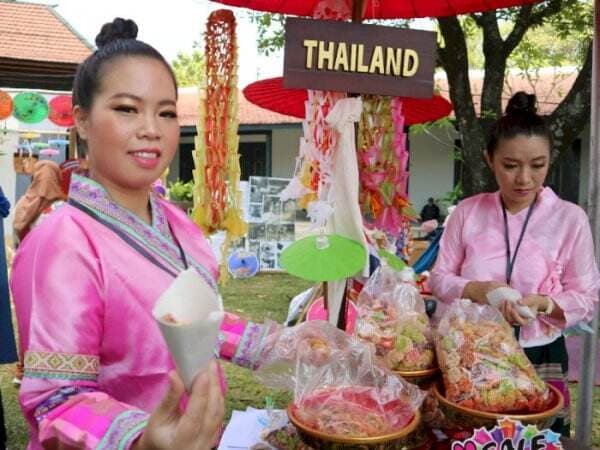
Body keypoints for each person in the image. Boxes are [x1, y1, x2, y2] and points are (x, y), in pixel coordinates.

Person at [10, 18, 277, 450]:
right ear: (81, 119)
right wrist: (140, 439)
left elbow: (188, 320)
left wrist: (275, 345)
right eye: (126, 109)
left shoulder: (176, 220)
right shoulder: (63, 240)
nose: (152, 128)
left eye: (166, 112)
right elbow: (55, 399)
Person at [430, 91, 600, 436]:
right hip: (471, 353)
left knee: (536, 440)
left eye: (538, 165)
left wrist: (546, 303)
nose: (524, 179)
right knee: (472, 439)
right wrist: (479, 289)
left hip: (540, 353)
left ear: (550, 160)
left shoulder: (570, 219)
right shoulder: (468, 212)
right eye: (510, 166)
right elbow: (438, 278)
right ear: (489, 159)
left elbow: (588, 298)